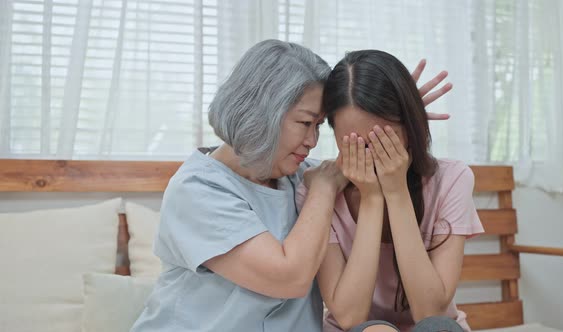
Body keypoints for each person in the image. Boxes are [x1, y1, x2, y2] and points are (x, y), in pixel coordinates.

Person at [131, 40, 452, 332]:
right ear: (262, 114)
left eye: (318, 125)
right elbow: (290, 277)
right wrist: (324, 190)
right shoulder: (198, 191)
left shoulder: (297, 174)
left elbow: (362, 155)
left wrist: (398, 114)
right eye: (304, 123)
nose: (312, 141)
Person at [296, 50, 484, 332]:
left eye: (383, 140)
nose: (370, 154)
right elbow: (350, 317)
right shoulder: (320, 190)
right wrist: (372, 198)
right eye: (354, 143)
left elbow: (430, 313)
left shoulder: (452, 179)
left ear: (409, 128)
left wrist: (396, 194)